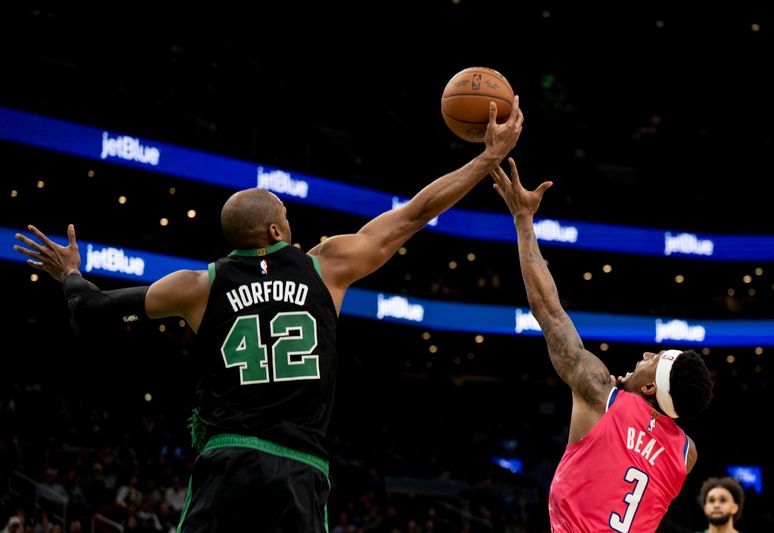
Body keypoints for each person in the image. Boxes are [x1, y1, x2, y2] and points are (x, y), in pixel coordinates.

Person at [13, 97, 523, 533]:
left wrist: (71, 273)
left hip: (227, 461)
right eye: (287, 217)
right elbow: (416, 213)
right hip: (299, 470)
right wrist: (487, 158)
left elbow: (92, 309)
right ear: (277, 232)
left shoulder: (198, 285)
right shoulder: (326, 266)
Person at [489, 159, 714, 533]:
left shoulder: (599, 394)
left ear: (650, 386)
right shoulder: (686, 453)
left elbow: (550, 312)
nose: (645, 355)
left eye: (653, 359)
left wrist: (524, 221)